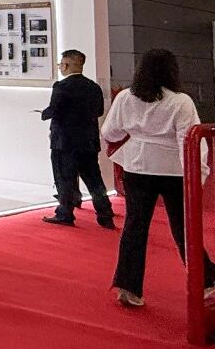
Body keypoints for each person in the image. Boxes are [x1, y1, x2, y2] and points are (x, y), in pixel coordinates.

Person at [103, 48, 215, 308]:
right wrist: (197, 176)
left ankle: (128, 286)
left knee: (134, 226)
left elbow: (110, 132)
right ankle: (206, 280)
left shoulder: (125, 97)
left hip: (137, 166)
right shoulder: (180, 101)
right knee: (183, 228)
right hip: (173, 170)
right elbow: (189, 140)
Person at [40, 49, 113, 228]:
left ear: (65, 65)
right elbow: (99, 111)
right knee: (94, 179)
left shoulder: (61, 86)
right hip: (88, 141)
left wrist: (43, 114)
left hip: (64, 141)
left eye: (60, 64)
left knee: (65, 178)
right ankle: (105, 213)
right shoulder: (93, 87)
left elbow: (55, 110)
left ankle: (65, 213)